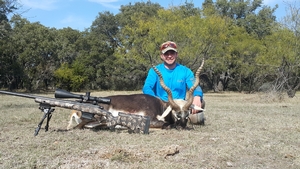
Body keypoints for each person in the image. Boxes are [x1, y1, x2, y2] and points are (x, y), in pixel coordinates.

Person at [142, 41, 204, 115]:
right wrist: (155, 100)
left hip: (180, 106)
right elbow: (147, 87)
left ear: (176, 54)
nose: (169, 56)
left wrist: (197, 96)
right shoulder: (154, 70)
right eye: (166, 54)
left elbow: (195, 86)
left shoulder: (185, 71)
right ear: (161, 56)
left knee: (201, 103)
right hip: (161, 105)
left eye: (172, 53)